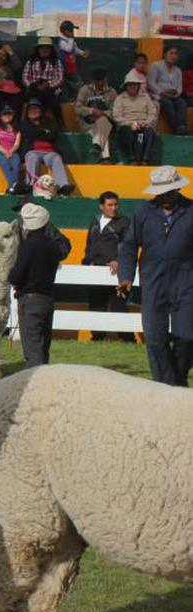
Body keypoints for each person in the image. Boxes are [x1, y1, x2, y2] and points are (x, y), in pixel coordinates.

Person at [117, 166, 193, 386]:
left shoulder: (190, 210)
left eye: (168, 192)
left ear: (177, 189)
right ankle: (164, 386)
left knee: (187, 336)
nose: (164, 197)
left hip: (187, 283)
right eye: (160, 193)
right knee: (154, 338)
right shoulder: (144, 213)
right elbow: (129, 246)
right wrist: (126, 276)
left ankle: (177, 380)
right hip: (153, 283)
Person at [9, 203, 63, 368]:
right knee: (43, 345)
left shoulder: (28, 245)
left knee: (33, 348)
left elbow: (16, 276)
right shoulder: (53, 245)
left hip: (30, 299)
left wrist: (15, 279)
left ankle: (35, 378)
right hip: (47, 297)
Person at [82, 191, 134, 343]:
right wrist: (87, 261)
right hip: (95, 269)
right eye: (110, 205)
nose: (114, 208)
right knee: (96, 304)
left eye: (116, 205)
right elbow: (89, 245)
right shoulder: (95, 221)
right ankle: (98, 337)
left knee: (118, 305)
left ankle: (127, 339)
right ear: (101, 206)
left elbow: (128, 246)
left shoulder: (124, 222)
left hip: (115, 272)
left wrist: (118, 260)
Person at [20, 98, 74, 195]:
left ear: (41, 111)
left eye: (36, 109)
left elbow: (53, 135)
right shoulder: (24, 124)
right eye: (31, 109)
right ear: (27, 112)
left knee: (57, 158)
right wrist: (44, 131)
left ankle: (63, 186)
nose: (33, 111)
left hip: (49, 151)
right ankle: (30, 185)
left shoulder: (49, 122)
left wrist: (38, 133)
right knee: (32, 157)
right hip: (33, 151)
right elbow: (29, 134)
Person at [113, 70, 158, 166]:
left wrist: (146, 122)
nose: (133, 86)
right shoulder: (120, 98)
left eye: (135, 84)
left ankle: (145, 159)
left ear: (138, 86)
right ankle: (132, 159)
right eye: (130, 84)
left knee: (150, 132)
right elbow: (116, 116)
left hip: (144, 124)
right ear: (126, 86)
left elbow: (152, 113)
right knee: (126, 131)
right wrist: (130, 123)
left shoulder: (145, 97)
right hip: (128, 125)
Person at [22, 36, 65, 129]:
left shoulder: (56, 62)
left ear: (51, 50)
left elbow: (60, 78)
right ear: (38, 49)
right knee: (31, 100)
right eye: (42, 48)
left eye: (47, 48)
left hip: (51, 90)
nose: (44, 50)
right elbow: (25, 77)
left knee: (55, 103)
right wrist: (34, 85)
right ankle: (26, 126)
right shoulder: (31, 61)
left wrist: (48, 85)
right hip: (34, 89)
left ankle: (60, 125)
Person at [74, 68, 116, 164]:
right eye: (97, 80)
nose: (100, 82)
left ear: (105, 79)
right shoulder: (84, 90)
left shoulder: (111, 92)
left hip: (106, 123)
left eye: (102, 80)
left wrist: (103, 113)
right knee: (102, 131)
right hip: (88, 124)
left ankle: (97, 146)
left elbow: (115, 111)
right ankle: (105, 158)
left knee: (103, 121)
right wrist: (91, 111)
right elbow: (78, 108)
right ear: (93, 80)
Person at [147, 45, 188, 135]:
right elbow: (151, 83)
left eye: (176, 54)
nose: (173, 56)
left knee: (182, 102)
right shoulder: (156, 65)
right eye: (171, 53)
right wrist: (162, 92)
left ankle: (182, 126)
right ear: (165, 55)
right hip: (159, 95)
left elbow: (179, 87)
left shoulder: (178, 70)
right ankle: (176, 127)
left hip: (174, 96)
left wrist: (176, 94)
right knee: (167, 103)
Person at [0, 105, 22, 194]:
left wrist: (10, 151)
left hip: (11, 152)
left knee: (16, 162)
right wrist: (5, 152)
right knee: (5, 163)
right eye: (4, 114)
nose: (7, 116)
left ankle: (13, 186)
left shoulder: (16, 129)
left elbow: (16, 144)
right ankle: (13, 186)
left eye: (9, 114)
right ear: (0, 115)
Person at [0, 44, 23, 122]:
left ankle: (14, 123)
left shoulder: (9, 67)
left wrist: (10, 52)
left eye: (4, 55)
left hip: (8, 91)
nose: (1, 56)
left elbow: (18, 65)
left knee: (18, 96)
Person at [56, 19, 88, 96]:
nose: (72, 32)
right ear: (64, 31)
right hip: (62, 67)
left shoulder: (72, 41)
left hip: (71, 67)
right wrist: (71, 38)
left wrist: (82, 53)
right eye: (70, 30)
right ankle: (64, 98)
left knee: (78, 83)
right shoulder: (62, 41)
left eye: (72, 30)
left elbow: (75, 49)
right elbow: (68, 49)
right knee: (62, 85)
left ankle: (77, 97)